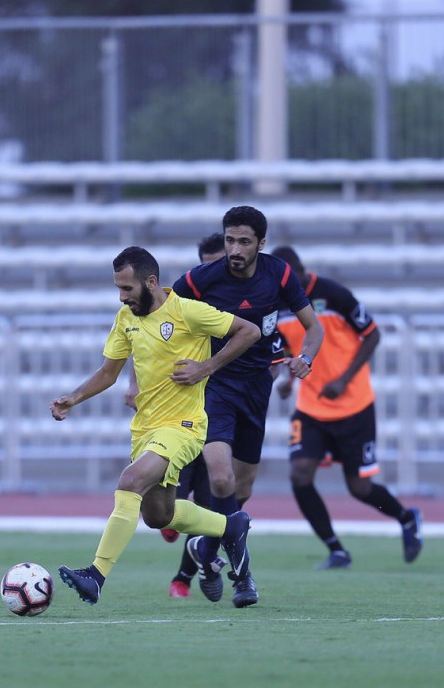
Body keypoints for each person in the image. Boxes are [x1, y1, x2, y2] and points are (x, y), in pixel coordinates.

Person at [51, 246, 261, 606]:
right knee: (157, 515)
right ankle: (231, 526)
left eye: (127, 288)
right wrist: (74, 397)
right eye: (118, 288)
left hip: (184, 426)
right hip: (146, 429)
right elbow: (107, 372)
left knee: (130, 481)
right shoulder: (126, 318)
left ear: (151, 281)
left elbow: (249, 331)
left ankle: (96, 575)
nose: (122, 296)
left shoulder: (187, 312)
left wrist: (206, 367)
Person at [173, 206, 325, 608]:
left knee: (241, 490)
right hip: (214, 388)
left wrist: (305, 359)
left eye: (243, 241)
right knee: (220, 480)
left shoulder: (280, 274)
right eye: (229, 240)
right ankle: (243, 577)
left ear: (261, 242)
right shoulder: (200, 279)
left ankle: (205, 550)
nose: (235, 249)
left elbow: (314, 327)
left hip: (257, 390)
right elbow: (163, 316)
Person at [271, 245, 423, 568]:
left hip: (353, 405)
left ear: (300, 270)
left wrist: (344, 379)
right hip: (311, 407)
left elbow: (372, 334)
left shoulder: (334, 295)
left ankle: (406, 517)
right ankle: (336, 549)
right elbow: (289, 349)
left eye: (289, 278)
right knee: (299, 474)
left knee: (359, 487)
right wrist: (287, 380)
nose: (285, 286)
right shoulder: (278, 306)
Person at [126, 232, 224, 599]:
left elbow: (253, 334)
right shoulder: (184, 292)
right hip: (182, 396)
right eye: (209, 262)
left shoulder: (250, 287)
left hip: (225, 394)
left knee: (223, 484)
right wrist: (135, 384)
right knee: (203, 481)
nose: (219, 266)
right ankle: (197, 556)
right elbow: (147, 342)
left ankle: (190, 569)